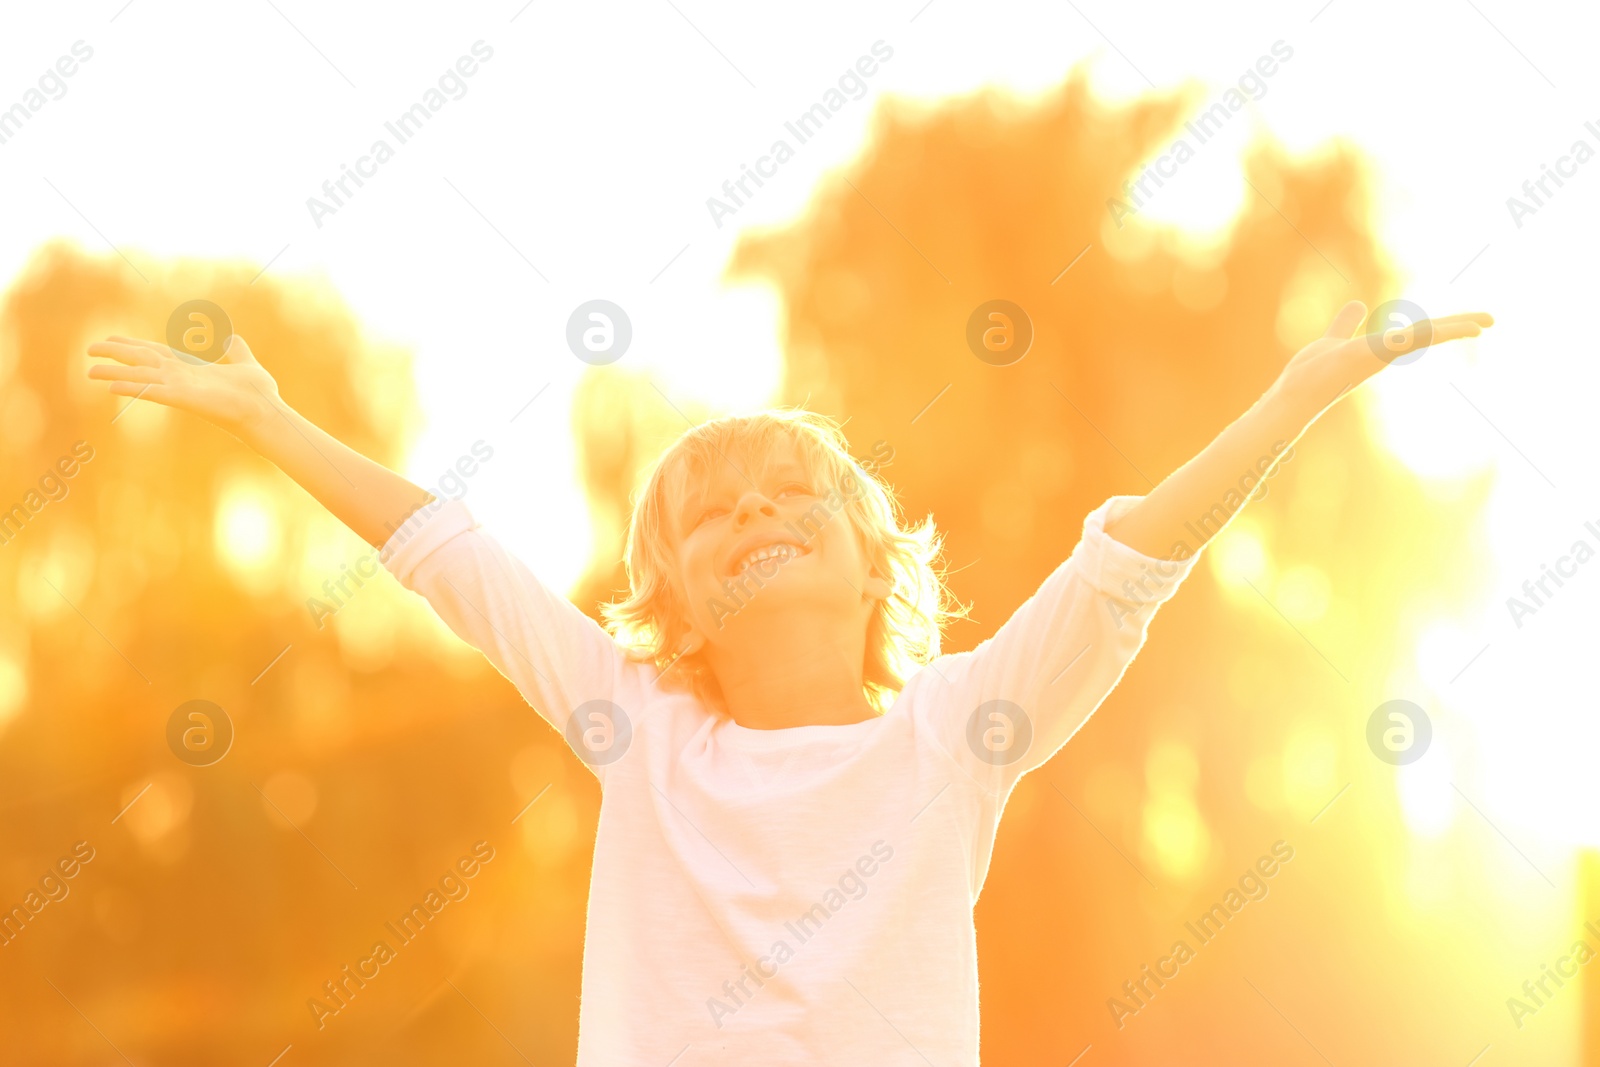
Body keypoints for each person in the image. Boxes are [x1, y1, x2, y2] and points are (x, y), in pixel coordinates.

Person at [86, 299, 1491, 1063]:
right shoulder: (635, 728)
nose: (754, 515)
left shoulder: (954, 737)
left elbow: (1126, 566)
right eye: (714, 515)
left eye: (789, 496)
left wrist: (1303, 389)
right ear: (678, 604)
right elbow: (448, 556)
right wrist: (271, 421)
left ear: (877, 566)